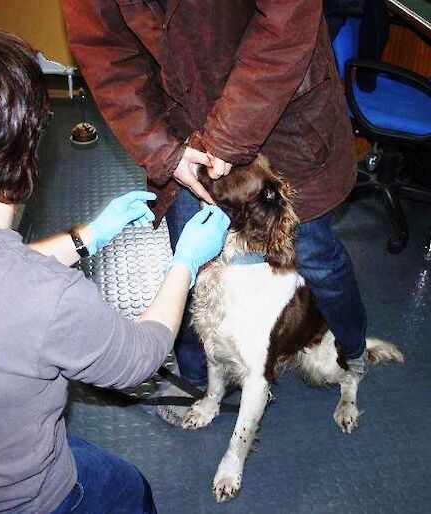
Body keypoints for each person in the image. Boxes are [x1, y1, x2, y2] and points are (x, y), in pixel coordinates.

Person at [0, 29, 231, 514]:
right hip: (4, 502)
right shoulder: (51, 299)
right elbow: (141, 357)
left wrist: (90, 236)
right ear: (24, 147)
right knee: (131, 491)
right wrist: (186, 261)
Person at [62, 0, 370, 425]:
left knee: (315, 255)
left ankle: (352, 349)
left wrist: (223, 141)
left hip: (284, 115)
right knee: (192, 262)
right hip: (185, 130)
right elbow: (109, 57)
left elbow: (285, 23)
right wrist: (164, 153)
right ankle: (196, 379)